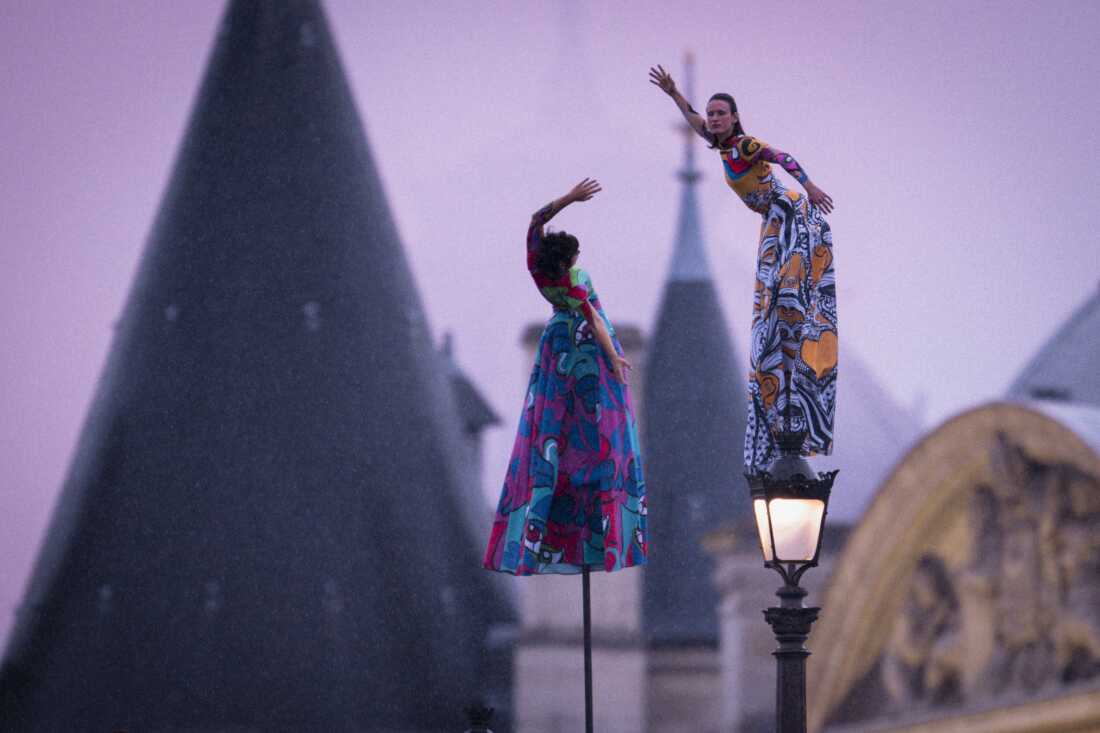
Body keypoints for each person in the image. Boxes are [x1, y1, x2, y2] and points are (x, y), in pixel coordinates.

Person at [650, 64, 838, 471]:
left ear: (734, 118)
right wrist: (673, 93)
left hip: (787, 210)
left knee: (785, 284)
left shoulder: (745, 145)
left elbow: (783, 156)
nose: (714, 118)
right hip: (771, 219)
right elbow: (692, 118)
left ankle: (792, 301)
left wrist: (810, 186)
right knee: (771, 283)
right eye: (712, 113)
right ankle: (783, 311)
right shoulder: (717, 142)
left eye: (721, 113)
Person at [483, 178, 648, 575]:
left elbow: (536, 219)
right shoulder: (575, 284)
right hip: (581, 346)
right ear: (569, 259)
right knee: (595, 420)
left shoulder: (539, 272)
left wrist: (568, 200)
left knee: (551, 422)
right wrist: (615, 360)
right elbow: (595, 321)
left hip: (554, 346)